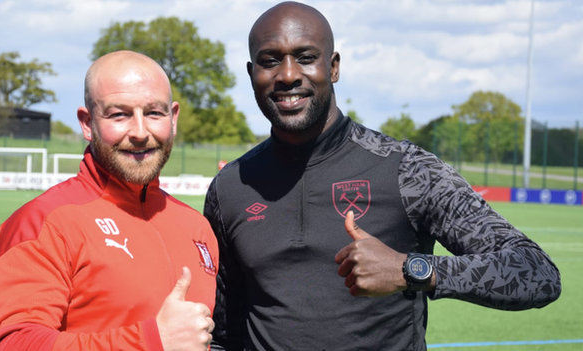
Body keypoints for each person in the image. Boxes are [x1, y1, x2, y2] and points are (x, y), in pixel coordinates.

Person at [203, 2, 561, 350]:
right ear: (252, 74)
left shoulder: (408, 169)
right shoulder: (231, 187)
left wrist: (412, 270)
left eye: (306, 57)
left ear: (334, 67)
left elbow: (537, 272)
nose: (288, 74)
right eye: (270, 61)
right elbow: (224, 334)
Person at [0, 50, 218, 351]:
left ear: (173, 118)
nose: (139, 132)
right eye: (119, 114)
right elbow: (15, 344)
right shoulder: (42, 223)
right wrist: (150, 341)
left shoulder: (197, 227)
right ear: (86, 122)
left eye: (154, 113)